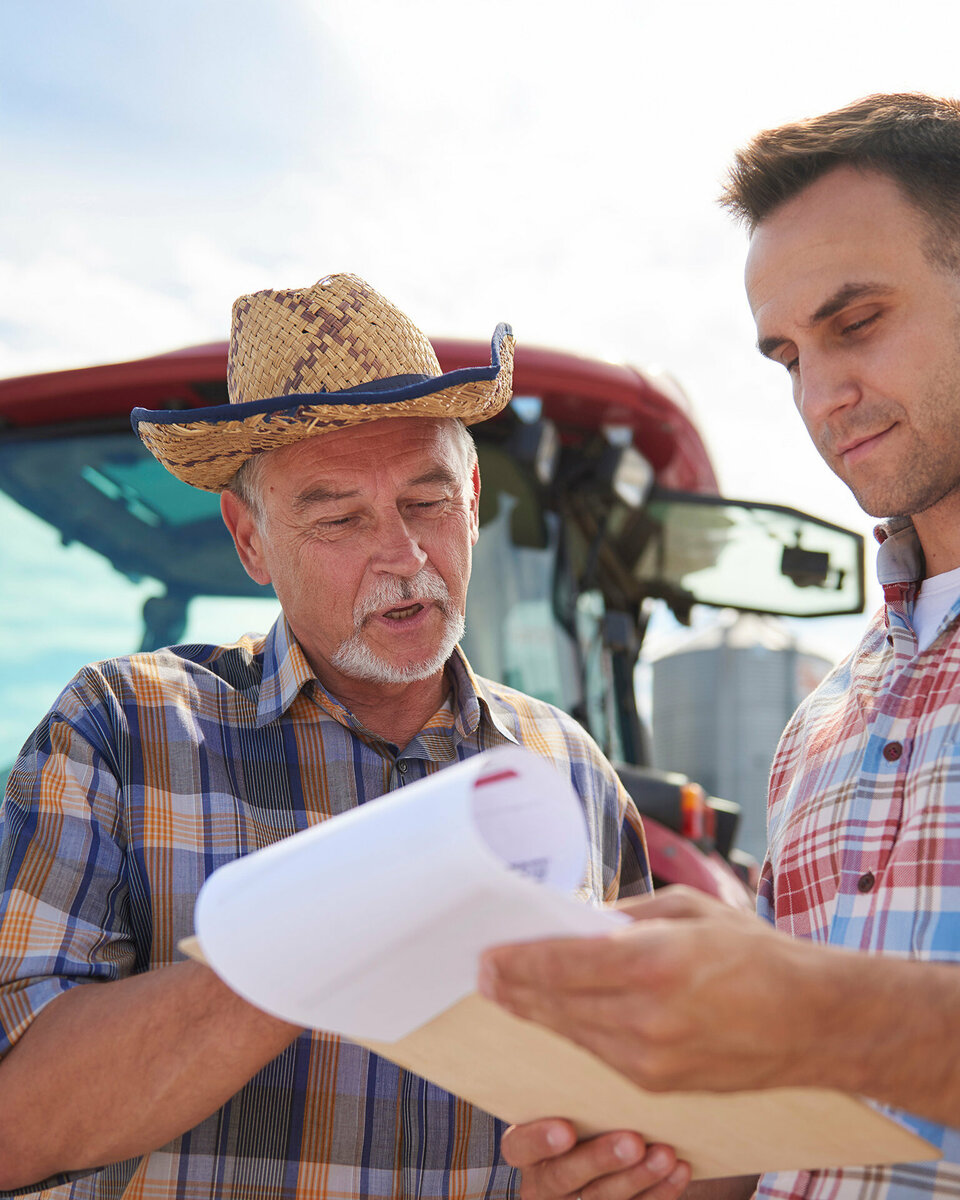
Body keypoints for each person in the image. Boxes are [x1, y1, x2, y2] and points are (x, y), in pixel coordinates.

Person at [478, 94, 960, 1200]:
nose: (821, 397)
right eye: (786, 356)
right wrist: (658, 1162)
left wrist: (820, 1012)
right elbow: (811, 1133)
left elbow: (832, 1033)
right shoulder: (826, 717)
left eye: (855, 323)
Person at [0, 273, 651, 1197]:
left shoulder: (574, 769)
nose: (405, 556)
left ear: (472, 495)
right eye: (340, 517)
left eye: (428, 502)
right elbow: (17, 1123)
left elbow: (648, 1102)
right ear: (250, 539)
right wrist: (356, 914)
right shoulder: (118, 729)